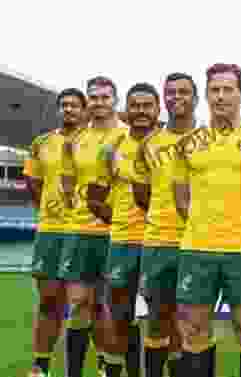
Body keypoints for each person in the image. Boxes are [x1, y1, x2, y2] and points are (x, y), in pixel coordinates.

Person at [173, 63, 241, 377]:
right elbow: (181, 199)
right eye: (215, 90)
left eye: (228, 89)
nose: (221, 96)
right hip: (197, 249)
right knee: (194, 329)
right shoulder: (188, 143)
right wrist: (204, 224)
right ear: (206, 95)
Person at [87, 83, 161, 377]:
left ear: (158, 109)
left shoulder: (171, 144)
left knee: (167, 318)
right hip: (123, 243)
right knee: (119, 317)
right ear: (126, 110)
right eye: (135, 106)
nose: (141, 111)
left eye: (147, 106)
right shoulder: (111, 149)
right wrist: (117, 218)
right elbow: (94, 197)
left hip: (167, 242)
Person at [58, 76, 129, 377]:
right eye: (94, 97)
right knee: (77, 305)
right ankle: (74, 371)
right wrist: (78, 207)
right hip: (81, 232)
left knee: (112, 307)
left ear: (115, 100)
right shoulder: (75, 141)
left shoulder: (129, 136)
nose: (99, 102)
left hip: (119, 233)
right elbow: (66, 182)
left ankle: (107, 366)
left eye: (104, 97)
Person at [132, 72, 199, 377]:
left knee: (192, 320)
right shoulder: (149, 144)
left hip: (199, 242)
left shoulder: (209, 138)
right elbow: (142, 194)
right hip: (158, 242)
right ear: (163, 101)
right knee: (157, 318)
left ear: (195, 98)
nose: (176, 98)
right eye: (170, 93)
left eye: (183, 92)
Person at [24, 88, 87, 377]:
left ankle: (101, 365)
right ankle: (41, 366)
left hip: (87, 230)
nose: (69, 110)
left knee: (89, 304)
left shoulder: (96, 141)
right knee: (49, 300)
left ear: (84, 110)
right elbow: (33, 182)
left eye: (74, 105)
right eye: (64, 105)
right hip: (51, 231)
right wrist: (50, 210)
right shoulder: (42, 142)